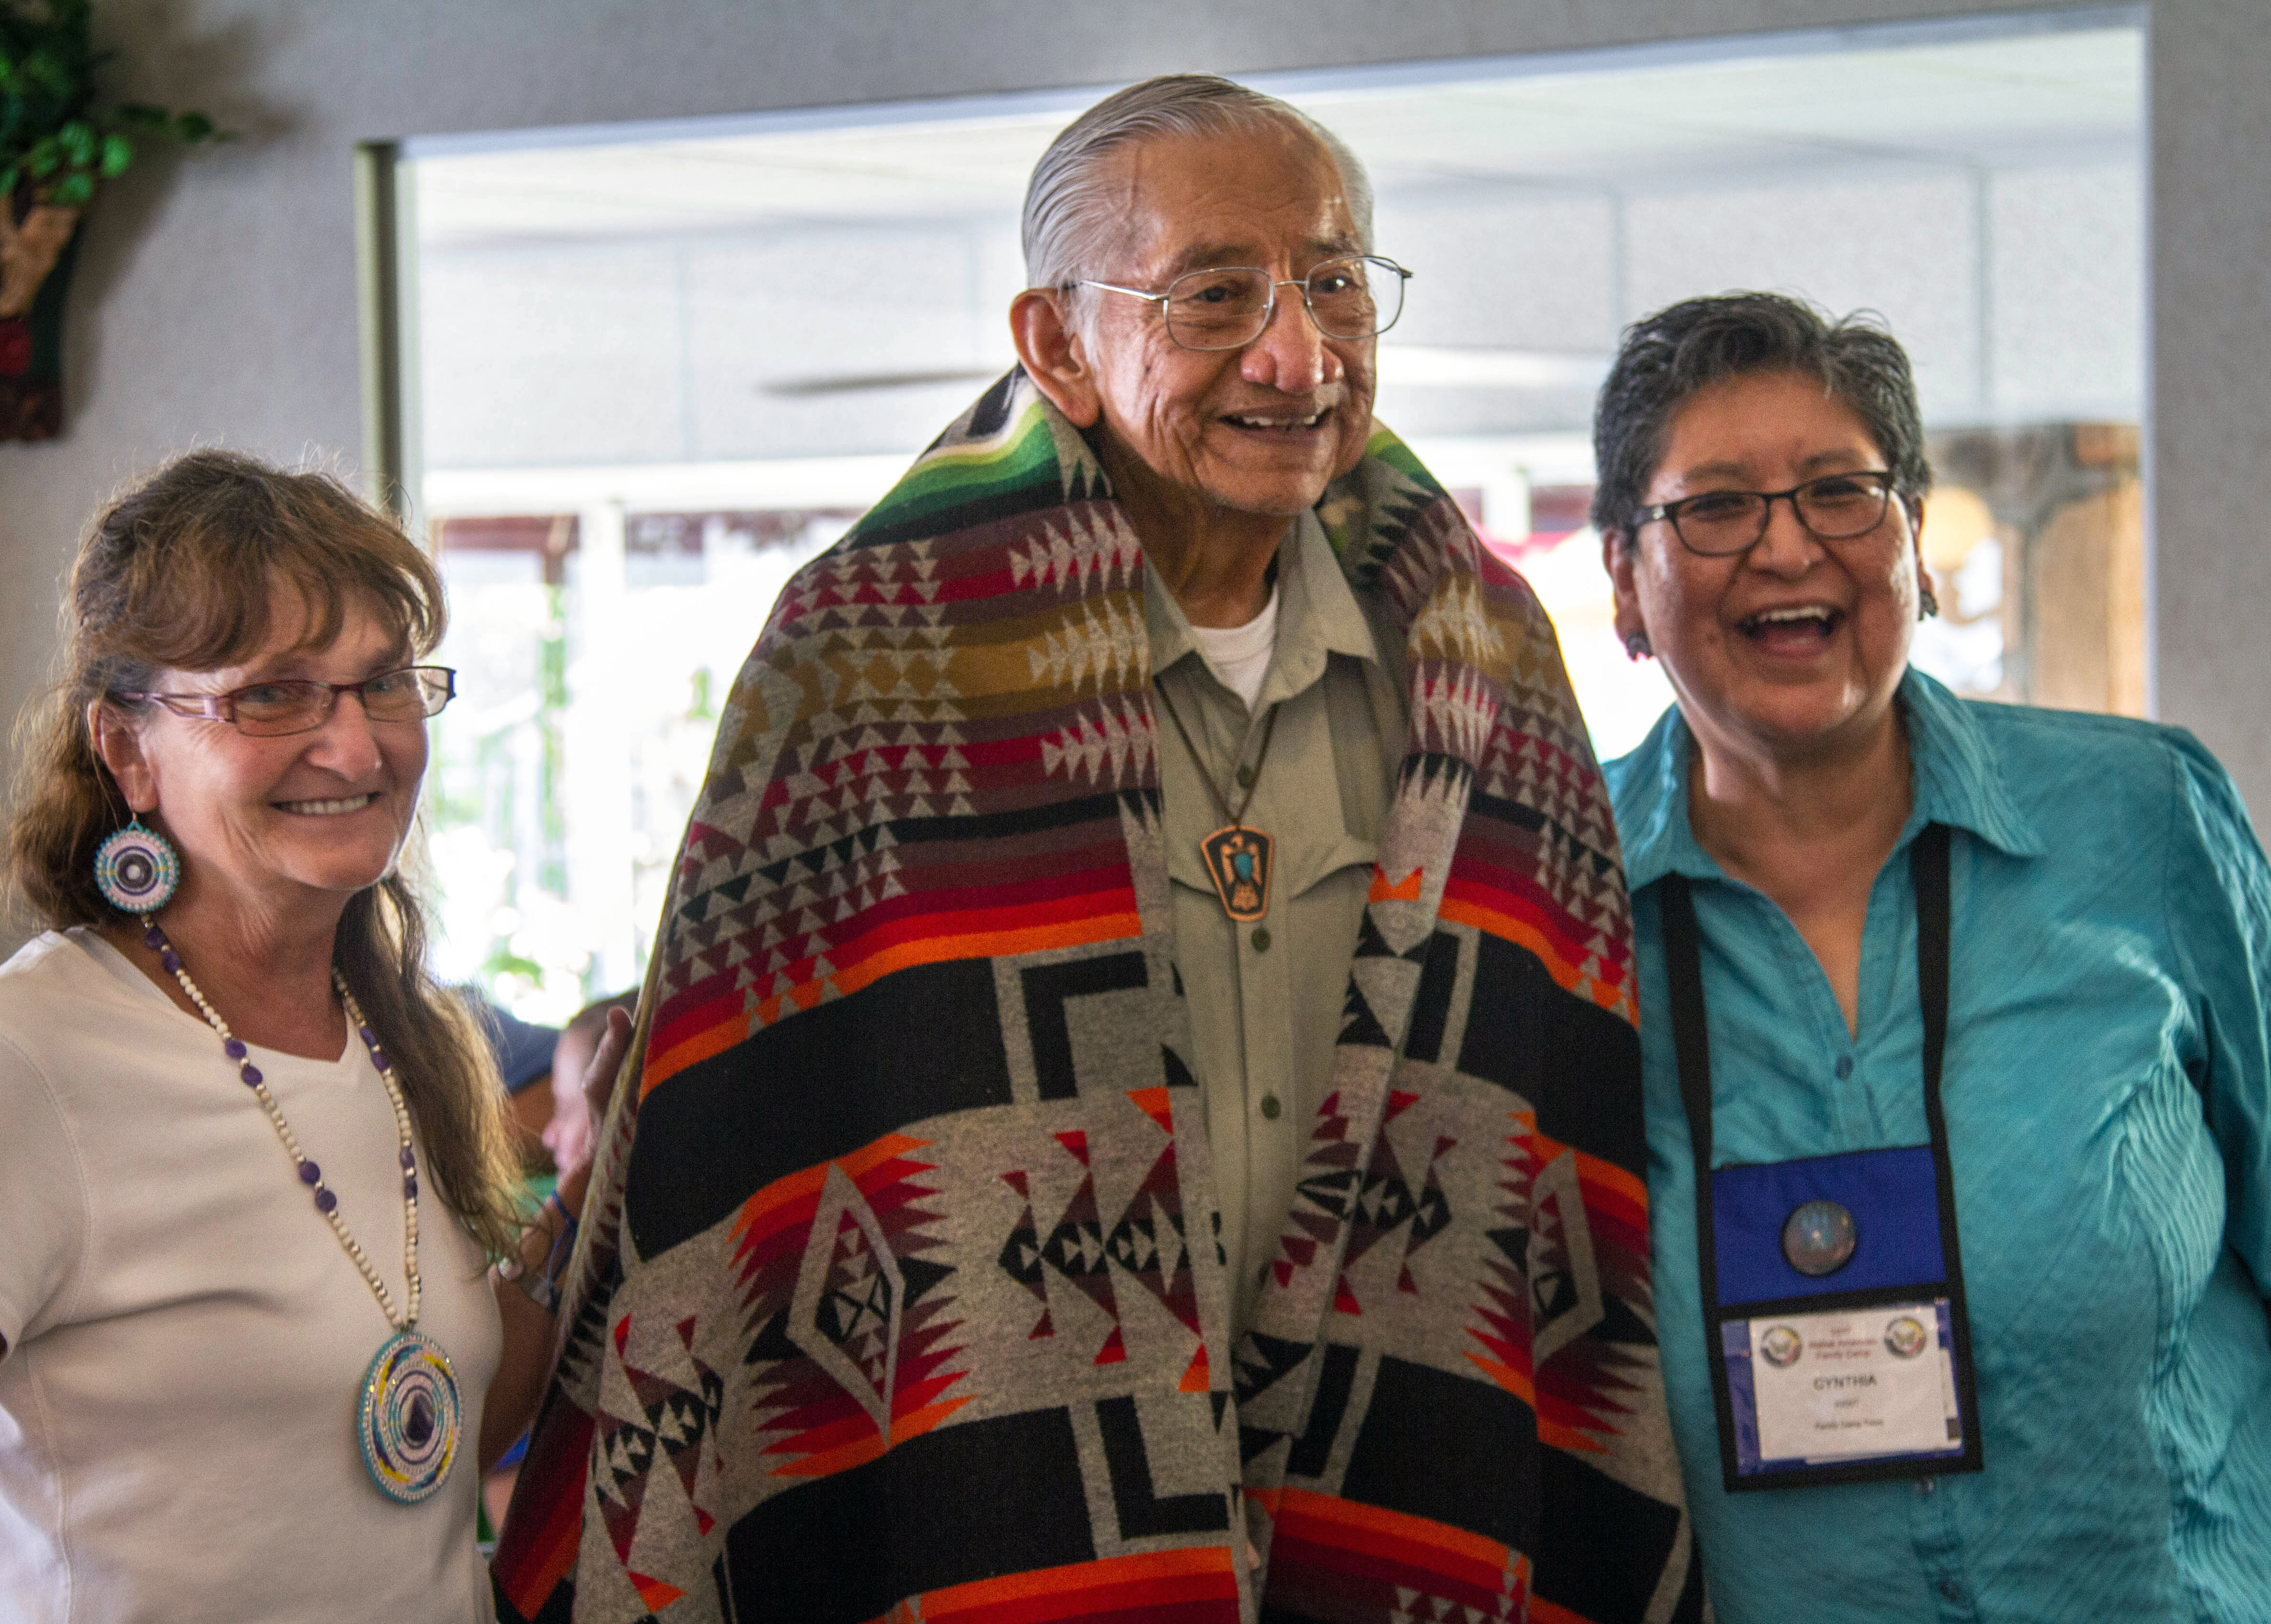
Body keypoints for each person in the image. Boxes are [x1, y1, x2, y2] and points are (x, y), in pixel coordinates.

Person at [493, 75, 1698, 1624]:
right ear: (1055, 345)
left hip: (1401, 1467)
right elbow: (748, 1142)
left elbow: (1548, 1132)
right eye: (1214, 296)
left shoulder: (1480, 653)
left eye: (1334, 283)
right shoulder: (868, 659)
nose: (1296, 352)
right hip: (984, 1485)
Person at [1597, 292, 2271, 1620]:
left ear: (1907, 538)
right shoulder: (1558, 904)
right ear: (1623, 578)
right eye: (1716, 506)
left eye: (1839, 490)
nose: (1786, 547)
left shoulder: (2138, 817)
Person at [0, 451, 627, 1624]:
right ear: (127, 750)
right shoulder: (20, 1064)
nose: (356, 746)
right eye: (273, 694)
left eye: (382, 682)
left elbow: (412, 1439)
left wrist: (586, 1200)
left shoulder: (398, 1036)